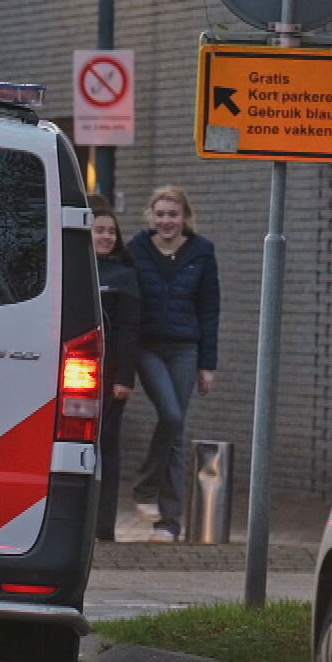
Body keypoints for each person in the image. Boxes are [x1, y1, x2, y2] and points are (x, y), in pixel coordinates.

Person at [128, 186, 221, 543]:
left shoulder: (202, 252)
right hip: (147, 346)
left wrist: (207, 364)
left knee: (177, 433)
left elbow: (209, 309)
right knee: (170, 415)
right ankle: (145, 486)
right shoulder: (136, 250)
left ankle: (169, 523)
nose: (167, 221)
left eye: (173, 214)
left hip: (185, 347)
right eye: (161, 214)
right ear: (151, 216)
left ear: (185, 217)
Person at [90, 196, 140, 542]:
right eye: (100, 231)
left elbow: (129, 329)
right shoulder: (75, 269)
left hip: (110, 373)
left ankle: (104, 525)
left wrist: (124, 378)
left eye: (111, 231)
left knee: (107, 443)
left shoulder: (125, 276)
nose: (106, 237)